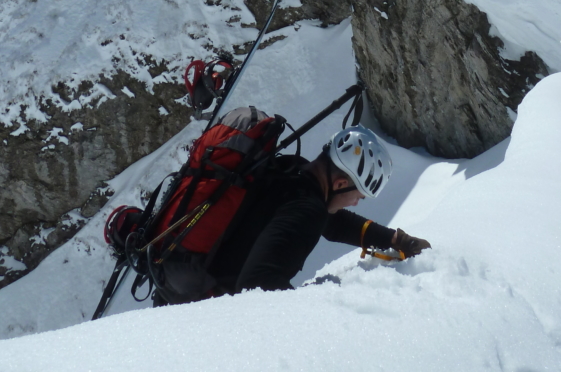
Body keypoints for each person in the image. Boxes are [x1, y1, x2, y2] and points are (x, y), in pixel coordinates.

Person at [152, 125, 430, 303]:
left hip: (176, 276)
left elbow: (332, 222)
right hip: (204, 303)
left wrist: (393, 239)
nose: (356, 203)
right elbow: (258, 287)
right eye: (357, 195)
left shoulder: (292, 170)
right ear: (340, 184)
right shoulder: (306, 209)